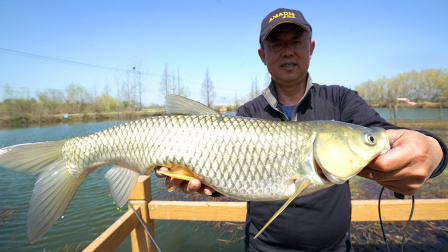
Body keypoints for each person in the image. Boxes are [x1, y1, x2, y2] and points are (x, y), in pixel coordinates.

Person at [156, 8, 447, 251]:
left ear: (311, 48)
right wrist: (201, 183)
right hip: (263, 248)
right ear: (262, 55)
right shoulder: (246, 115)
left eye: (295, 41)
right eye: (276, 44)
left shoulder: (341, 100)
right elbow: (229, 179)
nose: (287, 52)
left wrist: (432, 152)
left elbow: (389, 134)